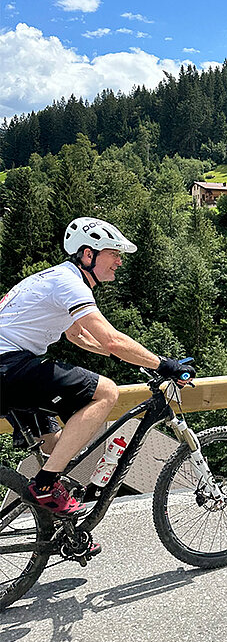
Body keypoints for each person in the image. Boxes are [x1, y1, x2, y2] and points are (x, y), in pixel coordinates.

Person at [0, 218, 193, 515]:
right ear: (88, 254)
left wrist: (125, 357)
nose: (119, 261)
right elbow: (112, 339)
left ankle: (53, 521)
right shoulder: (70, 284)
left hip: (10, 370)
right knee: (106, 392)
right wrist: (164, 364)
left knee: (57, 447)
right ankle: (45, 486)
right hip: (9, 366)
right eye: (113, 254)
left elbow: (77, 335)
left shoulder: (53, 278)